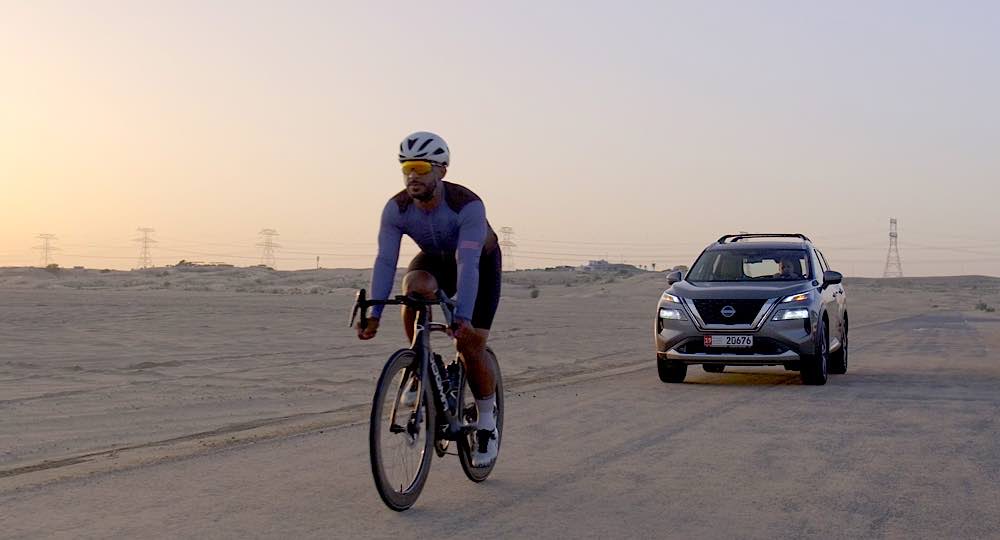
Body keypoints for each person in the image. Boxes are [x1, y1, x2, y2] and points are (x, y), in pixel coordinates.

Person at [356, 131, 502, 467]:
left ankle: (486, 422)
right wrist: (374, 314)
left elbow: (467, 263)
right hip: (436, 260)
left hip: (478, 264)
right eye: (406, 167)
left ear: (441, 171)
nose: (412, 175)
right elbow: (385, 260)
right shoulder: (397, 208)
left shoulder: (467, 204)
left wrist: (462, 318)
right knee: (414, 284)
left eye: (421, 167)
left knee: (470, 346)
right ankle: (421, 361)